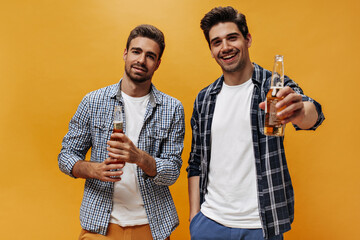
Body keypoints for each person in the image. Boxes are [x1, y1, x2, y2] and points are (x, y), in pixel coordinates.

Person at [187, 6, 325, 240]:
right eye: (217, 42)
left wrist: (300, 111)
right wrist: (195, 217)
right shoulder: (204, 98)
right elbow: (196, 161)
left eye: (232, 38)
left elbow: (313, 116)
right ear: (211, 50)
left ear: (247, 39)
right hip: (209, 223)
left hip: (262, 226)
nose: (225, 47)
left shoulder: (274, 88)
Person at [58, 24, 185, 240]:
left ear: (158, 64)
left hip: (152, 226)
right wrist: (92, 169)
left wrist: (141, 158)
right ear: (125, 53)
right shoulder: (93, 102)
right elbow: (66, 156)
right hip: (99, 225)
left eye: (150, 56)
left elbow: (172, 171)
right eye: (136, 51)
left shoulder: (172, 108)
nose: (141, 60)